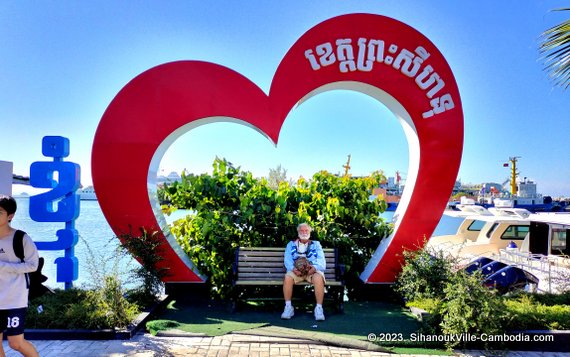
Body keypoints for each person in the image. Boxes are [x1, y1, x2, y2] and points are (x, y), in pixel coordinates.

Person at [0, 195, 39, 357]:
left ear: (10, 216)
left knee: (16, 343)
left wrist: (3, 266)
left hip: (14, 299)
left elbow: (32, 265)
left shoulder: (20, 238)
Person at [281, 222, 326, 321]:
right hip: (296, 271)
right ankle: (288, 307)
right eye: (301, 230)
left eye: (306, 230)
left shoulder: (316, 244)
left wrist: (313, 268)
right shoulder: (291, 244)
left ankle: (319, 308)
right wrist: (293, 269)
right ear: (298, 232)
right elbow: (287, 260)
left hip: (312, 271)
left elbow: (321, 261)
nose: (304, 232)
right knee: (288, 277)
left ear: (309, 232)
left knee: (318, 278)